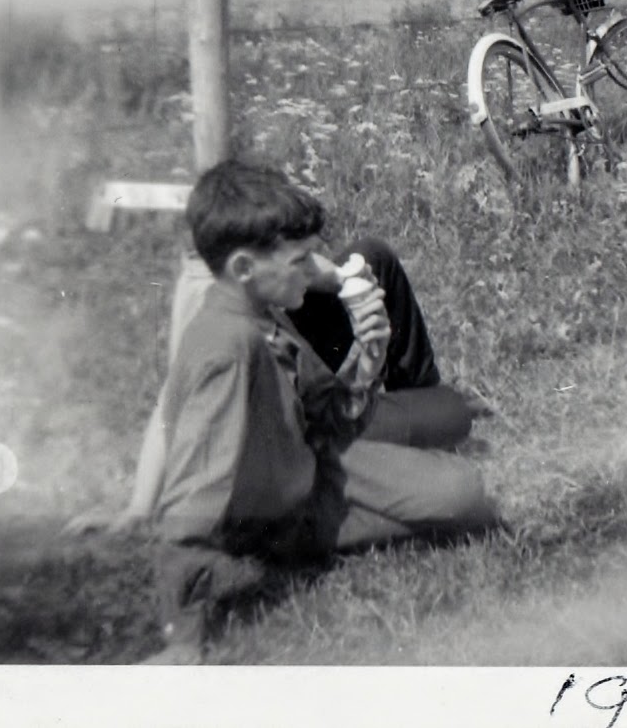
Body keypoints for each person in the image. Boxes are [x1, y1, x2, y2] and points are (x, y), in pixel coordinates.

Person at [110, 161, 500, 662]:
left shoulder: (260, 315)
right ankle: (333, 527)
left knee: (462, 482)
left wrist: (369, 356)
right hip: (284, 519)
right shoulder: (225, 347)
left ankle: (401, 470)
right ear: (245, 269)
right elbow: (194, 500)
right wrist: (183, 638)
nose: (316, 265)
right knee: (459, 496)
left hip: (315, 462)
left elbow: (330, 412)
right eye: (299, 259)